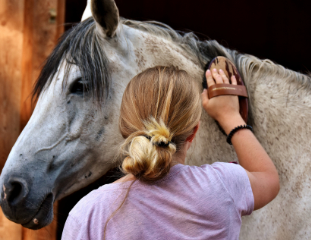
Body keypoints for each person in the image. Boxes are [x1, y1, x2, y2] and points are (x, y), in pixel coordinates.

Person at [61, 66, 280, 240]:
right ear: (194, 132)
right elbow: (267, 179)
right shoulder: (222, 186)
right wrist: (230, 115)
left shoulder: (88, 214)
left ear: (124, 129)